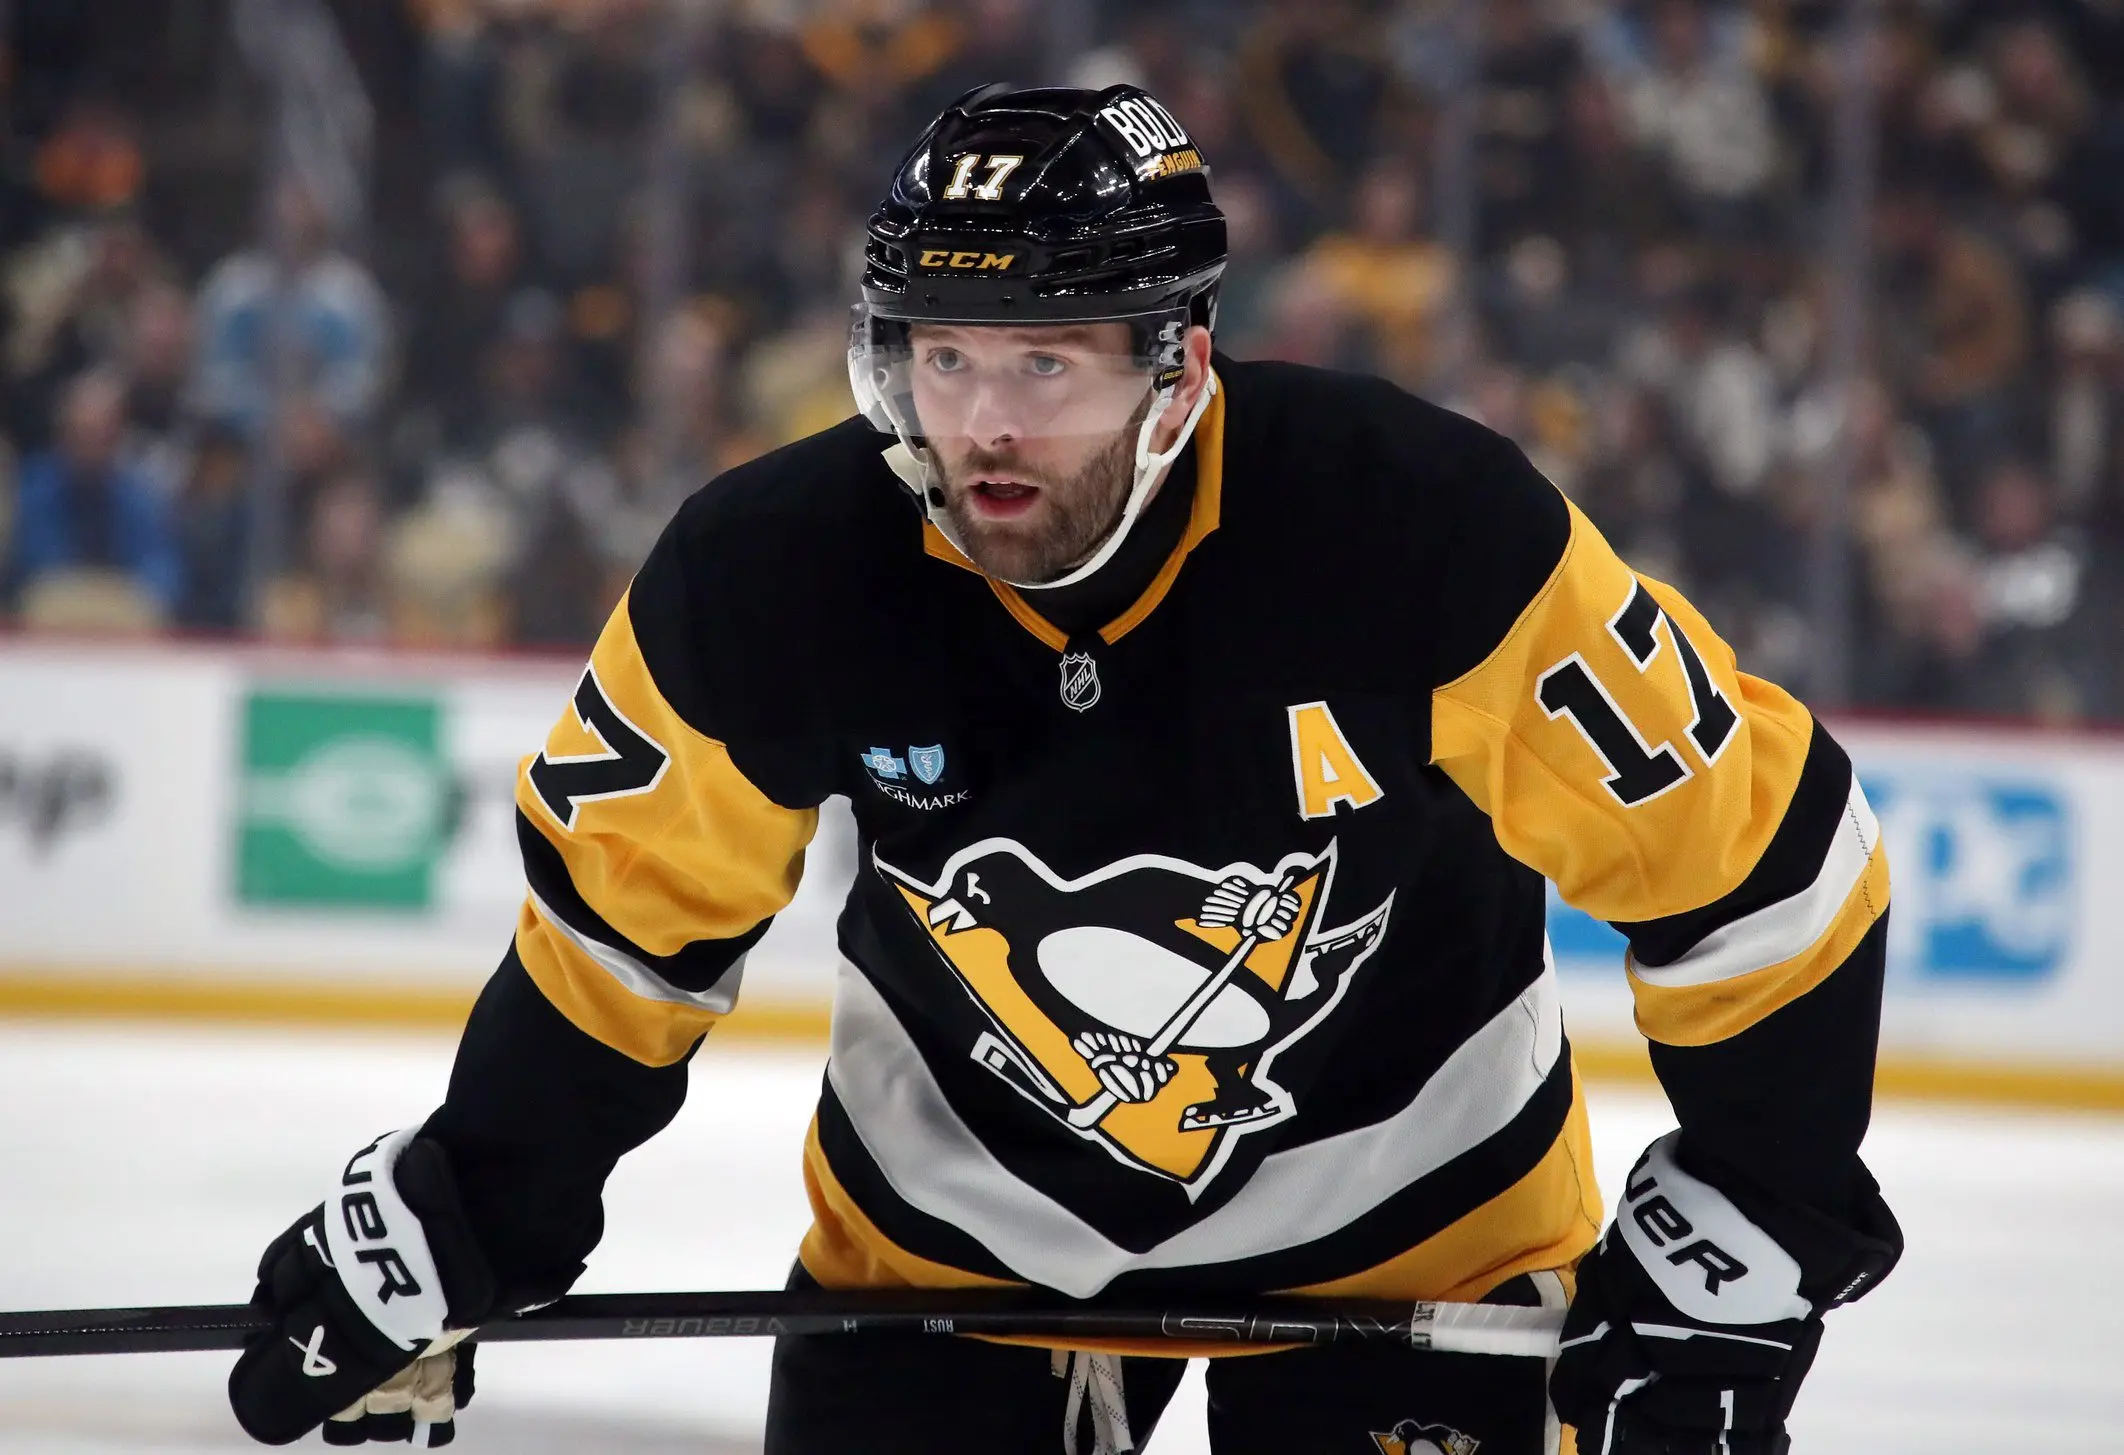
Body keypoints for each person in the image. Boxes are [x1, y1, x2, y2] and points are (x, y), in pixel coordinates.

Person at [227, 84, 1901, 1455]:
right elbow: (618, 939)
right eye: (942, 359)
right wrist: (471, 1207)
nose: (983, 427)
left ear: (1177, 364)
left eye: (1047, 363)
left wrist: (1754, 1224)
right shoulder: (775, 568)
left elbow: (1761, 864)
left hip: (1417, 1237)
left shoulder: (1421, 531)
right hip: (946, 1246)